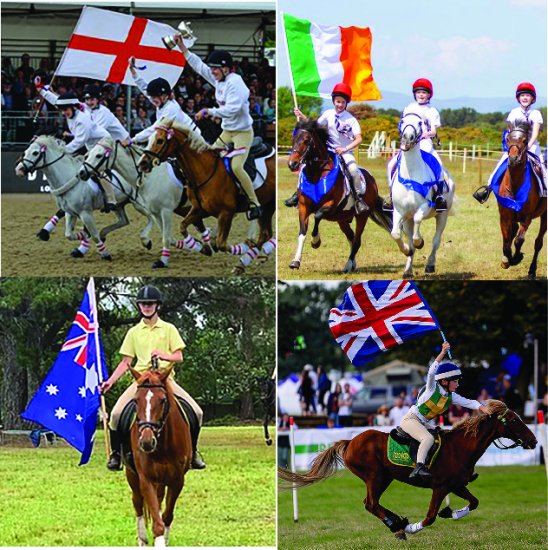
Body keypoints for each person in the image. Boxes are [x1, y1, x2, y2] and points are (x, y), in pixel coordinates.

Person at [99, 285, 206, 471]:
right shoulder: (133, 332)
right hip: (140, 381)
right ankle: (116, 454)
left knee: (197, 412)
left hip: (165, 380)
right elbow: (126, 362)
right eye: (143, 304)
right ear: (139, 306)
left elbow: (179, 356)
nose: (146, 307)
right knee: (115, 415)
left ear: (158, 306)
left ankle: (193, 452)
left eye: (150, 304)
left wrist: (163, 355)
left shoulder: (169, 329)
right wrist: (110, 381)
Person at [174, 35, 263, 221]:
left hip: (242, 134)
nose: (212, 71)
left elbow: (232, 110)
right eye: (212, 68)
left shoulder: (235, 83)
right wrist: (182, 47)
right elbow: (198, 66)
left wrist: (208, 111)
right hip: (227, 132)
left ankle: (255, 203)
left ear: (225, 68)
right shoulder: (219, 79)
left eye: (215, 68)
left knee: (237, 166)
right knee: (209, 158)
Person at [398, 342, 490, 480]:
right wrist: (442, 352)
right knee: (427, 438)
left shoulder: (451, 396)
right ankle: (419, 468)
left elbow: (469, 402)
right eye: (455, 381)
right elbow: (431, 372)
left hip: (423, 423)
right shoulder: (431, 388)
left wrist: (484, 408)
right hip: (410, 420)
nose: (458, 384)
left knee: (446, 439)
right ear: (445, 381)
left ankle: (458, 470)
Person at [33, 76, 118, 212]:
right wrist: (41, 91)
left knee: (97, 169)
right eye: (62, 110)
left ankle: (111, 199)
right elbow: (56, 100)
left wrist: (62, 151)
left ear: (73, 107)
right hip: (92, 145)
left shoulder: (82, 120)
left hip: (104, 142)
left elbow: (79, 141)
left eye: (66, 110)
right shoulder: (73, 109)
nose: (64, 113)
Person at [285, 83, 367, 214]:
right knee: (305, 166)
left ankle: (358, 198)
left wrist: (345, 148)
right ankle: (297, 194)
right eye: (338, 101)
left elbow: (359, 139)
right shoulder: (328, 113)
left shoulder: (351, 120)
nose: (340, 104)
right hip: (327, 151)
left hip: (345, 152)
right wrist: (301, 115)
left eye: (343, 102)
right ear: (334, 100)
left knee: (353, 170)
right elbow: (315, 126)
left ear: (346, 103)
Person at [474, 82, 546, 203]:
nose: (525, 98)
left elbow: (535, 133)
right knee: (500, 165)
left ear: (532, 98)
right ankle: (487, 189)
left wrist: (528, 146)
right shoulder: (514, 113)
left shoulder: (536, 114)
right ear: (518, 98)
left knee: (542, 168)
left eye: (528, 95)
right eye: (522, 95)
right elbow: (511, 131)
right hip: (516, 146)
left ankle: (545, 190)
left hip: (532, 146)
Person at [384, 78, 447, 212]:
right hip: (410, 144)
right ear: (415, 94)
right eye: (418, 92)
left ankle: (439, 196)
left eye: (424, 92)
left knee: (439, 166)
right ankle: (391, 196)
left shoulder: (432, 111)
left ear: (429, 95)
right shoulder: (409, 108)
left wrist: (426, 134)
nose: (421, 95)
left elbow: (434, 131)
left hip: (425, 144)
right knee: (391, 165)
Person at [128, 56, 201, 146]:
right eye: (152, 96)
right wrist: (132, 70)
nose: (152, 99)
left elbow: (155, 128)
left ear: (165, 96)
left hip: (193, 140)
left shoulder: (171, 109)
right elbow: (143, 87)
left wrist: (133, 140)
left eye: (155, 97)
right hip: (179, 138)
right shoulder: (160, 100)